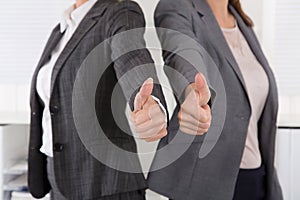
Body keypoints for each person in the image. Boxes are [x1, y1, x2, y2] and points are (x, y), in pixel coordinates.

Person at [28, 0, 168, 199]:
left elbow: (131, 58)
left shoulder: (118, 12)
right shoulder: (61, 29)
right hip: (58, 176)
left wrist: (150, 103)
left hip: (103, 181)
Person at [147, 0, 283, 199]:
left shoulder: (243, 24)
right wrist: (193, 92)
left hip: (255, 177)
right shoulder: (178, 7)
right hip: (205, 179)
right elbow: (181, 53)